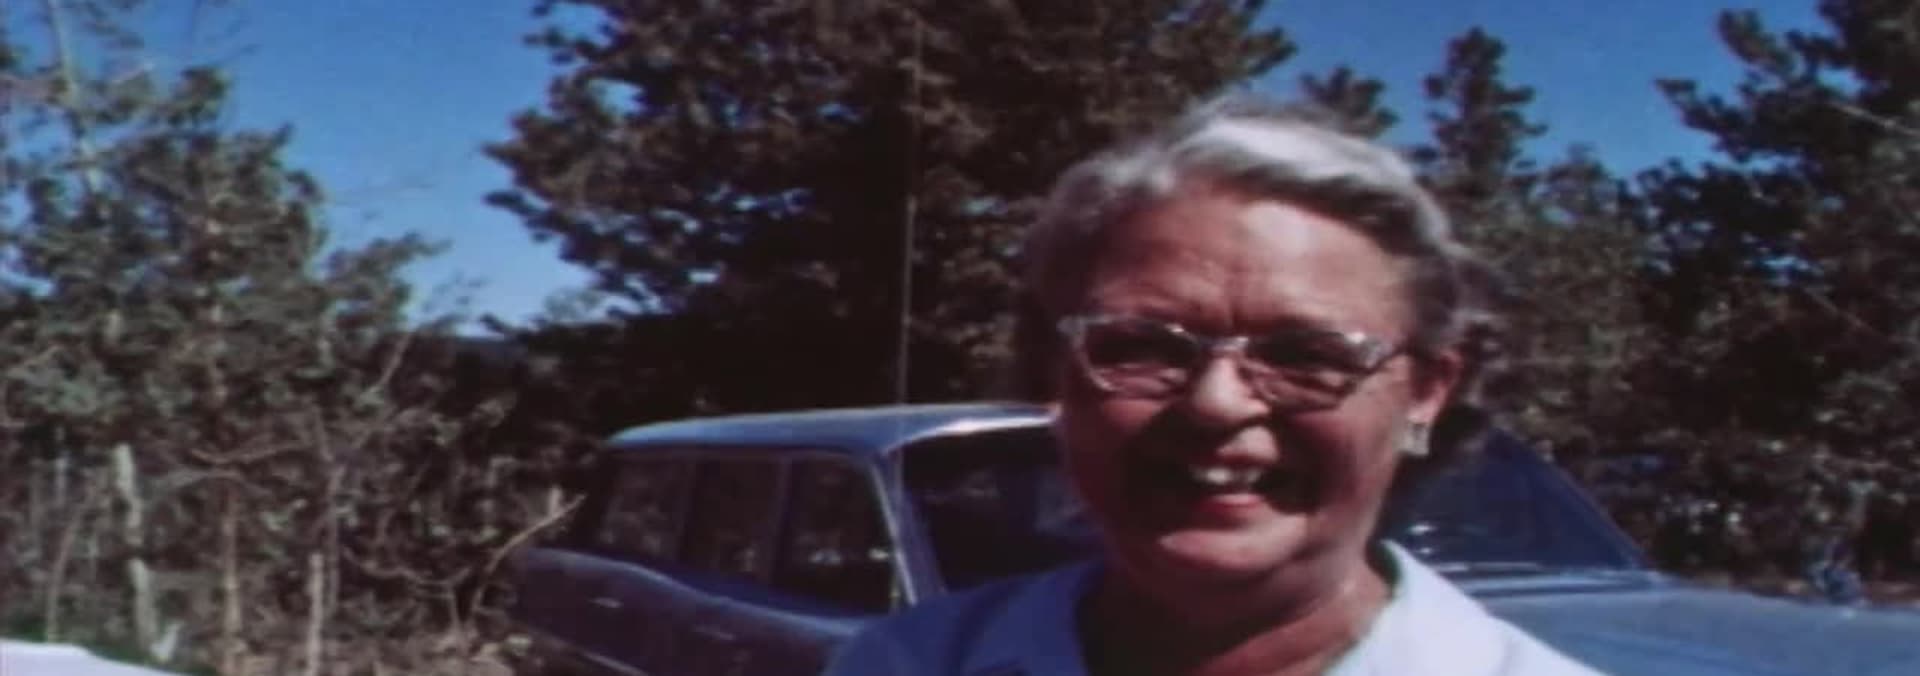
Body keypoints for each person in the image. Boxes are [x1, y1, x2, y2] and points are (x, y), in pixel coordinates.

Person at [822, 95, 1605, 675]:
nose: (1216, 402)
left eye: (1306, 355)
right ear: (1055, 371)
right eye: (1141, 346)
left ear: (1427, 391)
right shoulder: (912, 664)